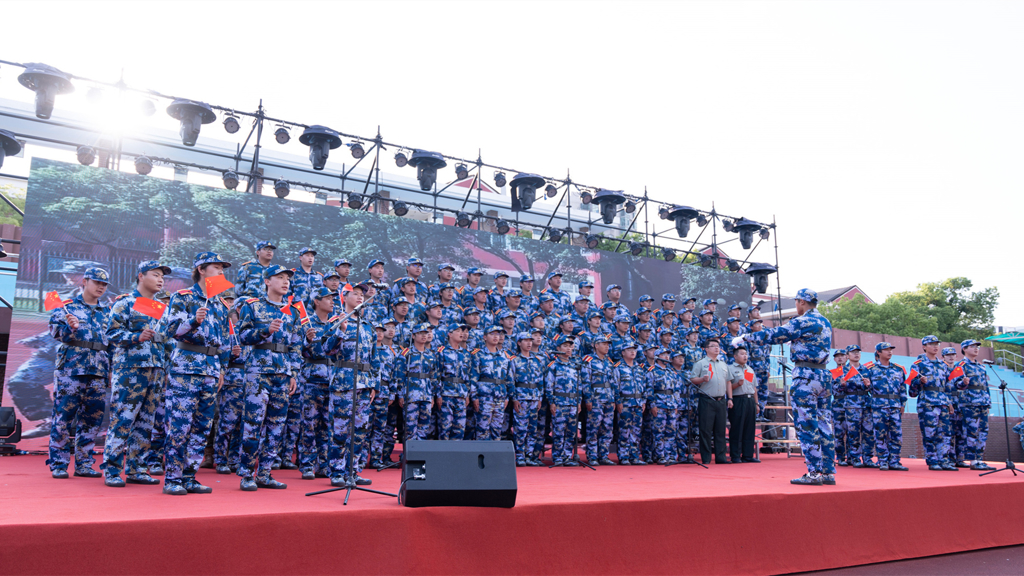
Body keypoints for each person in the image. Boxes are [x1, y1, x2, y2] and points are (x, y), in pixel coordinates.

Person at [735, 288, 836, 486]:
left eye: (797, 301)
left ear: (802, 302)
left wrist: (745, 338)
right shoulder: (825, 321)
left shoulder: (802, 321)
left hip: (806, 376)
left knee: (807, 425)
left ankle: (814, 473)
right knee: (824, 424)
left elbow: (775, 335)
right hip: (824, 375)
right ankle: (828, 472)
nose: (796, 305)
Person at [158, 253, 232, 495]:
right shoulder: (183, 297)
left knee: (202, 426)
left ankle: (189, 476)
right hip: (186, 368)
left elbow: (224, 341)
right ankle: (173, 478)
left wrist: (222, 369)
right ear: (201, 269)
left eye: (222, 268)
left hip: (211, 370)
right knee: (179, 425)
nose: (220, 272)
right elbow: (170, 330)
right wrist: (193, 321)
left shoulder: (221, 305)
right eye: (216, 267)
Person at [236, 265, 307, 491]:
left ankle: (265, 473)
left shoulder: (293, 312)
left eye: (288, 279)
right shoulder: (252, 306)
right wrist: (265, 330)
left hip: (283, 373)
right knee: (253, 423)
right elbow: (243, 336)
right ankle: (247, 474)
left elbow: (296, 346)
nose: (285, 282)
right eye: (280, 277)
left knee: (277, 425)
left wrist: (294, 373)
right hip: (258, 372)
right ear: (267, 281)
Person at [102, 261, 172, 487]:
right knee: (123, 418)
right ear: (141, 276)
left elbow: (165, 340)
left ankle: (137, 468)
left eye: (162, 276)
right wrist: (135, 337)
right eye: (156, 275)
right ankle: (112, 469)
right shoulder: (125, 303)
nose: (160, 280)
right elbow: (111, 333)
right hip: (130, 370)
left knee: (146, 421)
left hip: (155, 370)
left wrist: (167, 368)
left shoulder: (161, 307)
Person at [47, 267, 112, 480]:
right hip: (71, 370)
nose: (100, 287)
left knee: (92, 418)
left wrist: (111, 370)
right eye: (96, 282)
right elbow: (55, 332)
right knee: (64, 417)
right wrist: (70, 328)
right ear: (85, 282)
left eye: (104, 284)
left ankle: (84, 464)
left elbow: (111, 344)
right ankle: (58, 463)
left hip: (98, 371)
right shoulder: (67, 306)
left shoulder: (108, 311)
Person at [328, 282, 378, 488]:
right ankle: (336, 471)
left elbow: (373, 358)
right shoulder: (336, 320)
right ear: (344, 297)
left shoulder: (368, 327)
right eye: (355, 293)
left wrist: (374, 384)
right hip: (344, 383)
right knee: (340, 431)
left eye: (362, 295)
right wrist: (340, 331)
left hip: (364, 384)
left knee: (360, 431)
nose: (359, 297)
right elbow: (327, 350)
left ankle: (353, 471)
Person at [297, 287, 344, 480]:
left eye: (333, 298)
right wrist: (307, 342)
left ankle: (324, 465)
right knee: (309, 424)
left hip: (332, 379)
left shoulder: (337, 323)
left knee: (328, 425)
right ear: (317, 301)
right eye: (328, 298)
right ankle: (307, 464)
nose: (332, 302)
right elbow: (298, 350)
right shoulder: (306, 323)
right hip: (312, 380)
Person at [908, 335, 957, 471]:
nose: (935, 347)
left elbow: (947, 386)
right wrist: (919, 382)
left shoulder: (943, 365)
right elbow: (912, 391)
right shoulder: (918, 364)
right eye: (931, 344)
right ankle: (932, 460)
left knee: (945, 433)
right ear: (924, 347)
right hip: (927, 403)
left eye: (937, 344)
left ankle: (944, 460)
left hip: (943, 403)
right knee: (930, 433)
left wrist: (949, 402)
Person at [948, 340, 995, 471]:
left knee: (983, 431)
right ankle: (973, 460)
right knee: (971, 431)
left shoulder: (981, 367)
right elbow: (955, 384)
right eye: (972, 346)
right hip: (969, 403)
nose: (976, 349)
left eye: (977, 347)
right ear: (964, 349)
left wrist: (988, 401)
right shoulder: (961, 365)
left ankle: (979, 459)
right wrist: (963, 383)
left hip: (983, 402)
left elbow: (985, 386)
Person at [860, 342, 908, 471]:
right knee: (880, 434)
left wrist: (903, 404)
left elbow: (903, 388)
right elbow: (865, 389)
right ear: (879, 352)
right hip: (878, 406)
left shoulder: (898, 369)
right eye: (886, 350)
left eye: (890, 349)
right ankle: (882, 461)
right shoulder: (870, 369)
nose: (889, 352)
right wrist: (867, 385)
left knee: (896, 435)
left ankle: (895, 461)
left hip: (895, 406)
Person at [689, 338, 732, 465]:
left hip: (721, 400)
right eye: (713, 346)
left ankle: (721, 457)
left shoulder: (723, 364)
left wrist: (730, 398)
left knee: (720, 430)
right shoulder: (700, 364)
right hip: (707, 399)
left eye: (718, 346)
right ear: (706, 349)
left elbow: (728, 382)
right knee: (706, 430)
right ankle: (706, 457)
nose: (717, 348)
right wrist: (702, 379)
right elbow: (692, 379)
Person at [470, 326, 515, 441]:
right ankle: (482, 452)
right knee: (482, 430)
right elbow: (473, 378)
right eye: (492, 334)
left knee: (497, 430)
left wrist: (508, 397)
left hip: (500, 398)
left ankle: (495, 453)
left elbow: (509, 379)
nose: (496, 337)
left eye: (498, 334)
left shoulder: (505, 356)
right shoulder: (478, 355)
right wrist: (474, 397)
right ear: (485, 337)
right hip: (484, 398)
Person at [395, 323, 438, 442]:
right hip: (411, 395)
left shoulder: (431, 355)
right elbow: (399, 376)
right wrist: (400, 395)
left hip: (426, 395)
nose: (424, 336)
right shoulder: (406, 354)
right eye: (420, 333)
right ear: (413, 336)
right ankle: (409, 452)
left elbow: (434, 377)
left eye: (426, 333)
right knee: (410, 428)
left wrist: (433, 395)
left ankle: (420, 453)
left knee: (424, 427)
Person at [545, 335, 583, 465]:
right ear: (558, 348)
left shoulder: (575, 365)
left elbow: (579, 385)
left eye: (570, 346)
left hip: (573, 403)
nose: (568, 349)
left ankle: (567, 457)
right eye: (565, 346)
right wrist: (552, 402)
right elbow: (549, 385)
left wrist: (579, 402)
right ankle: (557, 457)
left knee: (571, 432)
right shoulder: (554, 366)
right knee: (559, 431)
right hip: (560, 403)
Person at [510, 332, 546, 466]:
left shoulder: (537, 360)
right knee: (520, 428)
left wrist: (540, 397)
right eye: (525, 340)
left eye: (530, 340)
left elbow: (540, 381)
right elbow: (511, 381)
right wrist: (514, 398)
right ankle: (520, 456)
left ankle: (529, 455)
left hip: (534, 398)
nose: (529, 343)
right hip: (521, 398)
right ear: (519, 343)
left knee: (532, 428)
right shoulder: (514, 360)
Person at [368, 318, 399, 468]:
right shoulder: (367, 349)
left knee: (380, 428)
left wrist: (392, 393)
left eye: (382, 331)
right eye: (377, 331)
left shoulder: (389, 352)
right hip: (368, 394)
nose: (379, 334)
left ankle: (375, 459)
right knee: (365, 427)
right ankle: (360, 460)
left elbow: (394, 375)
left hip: (384, 394)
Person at [435, 323, 472, 441]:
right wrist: (438, 394)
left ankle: (456, 453)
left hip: (461, 394)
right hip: (446, 394)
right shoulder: (442, 352)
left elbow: (468, 376)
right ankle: (443, 452)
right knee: (445, 428)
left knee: (459, 428)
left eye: (463, 331)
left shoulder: (465, 354)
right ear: (450, 334)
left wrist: (467, 394)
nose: (462, 333)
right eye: (458, 331)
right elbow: (437, 374)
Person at [614, 339, 648, 465]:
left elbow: (644, 385)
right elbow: (615, 385)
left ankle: (634, 456)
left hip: (638, 402)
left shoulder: (639, 368)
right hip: (625, 403)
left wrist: (643, 401)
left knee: (636, 431)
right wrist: (618, 401)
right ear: (623, 352)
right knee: (624, 430)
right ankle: (623, 456)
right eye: (629, 350)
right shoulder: (618, 367)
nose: (633, 352)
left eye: (634, 350)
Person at [842, 345, 876, 468]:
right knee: (853, 432)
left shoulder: (867, 370)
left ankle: (868, 458)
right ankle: (854, 458)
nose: (856, 354)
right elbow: (836, 389)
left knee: (868, 432)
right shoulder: (843, 371)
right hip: (851, 404)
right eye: (853, 352)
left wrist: (869, 385)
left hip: (866, 404)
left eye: (858, 352)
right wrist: (842, 385)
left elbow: (874, 389)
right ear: (847, 356)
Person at [727, 346, 759, 463]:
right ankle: (735, 455)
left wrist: (756, 403)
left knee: (749, 428)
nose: (745, 356)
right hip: (738, 399)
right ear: (735, 356)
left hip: (750, 400)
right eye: (742, 354)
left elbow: (754, 388)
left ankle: (748, 455)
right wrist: (737, 385)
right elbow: (727, 387)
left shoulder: (749, 369)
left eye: (746, 354)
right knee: (737, 428)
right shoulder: (730, 369)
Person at [648, 348, 679, 464]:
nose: (666, 357)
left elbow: (676, 389)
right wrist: (652, 405)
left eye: (667, 355)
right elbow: (649, 389)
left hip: (671, 404)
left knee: (671, 431)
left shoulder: (671, 372)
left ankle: (670, 455)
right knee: (659, 431)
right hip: (659, 404)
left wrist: (676, 404)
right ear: (657, 357)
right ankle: (660, 456)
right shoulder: (652, 371)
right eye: (663, 354)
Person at [830, 349, 849, 466]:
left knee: (852, 432)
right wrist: (841, 385)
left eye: (842, 355)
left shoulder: (852, 371)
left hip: (852, 404)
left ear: (847, 357)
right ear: (834, 359)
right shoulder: (832, 373)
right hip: (838, 404)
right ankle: (841, 457)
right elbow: (831, 390)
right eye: (837, 356)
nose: (840, 358)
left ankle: (852, 457)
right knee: (839, 433)